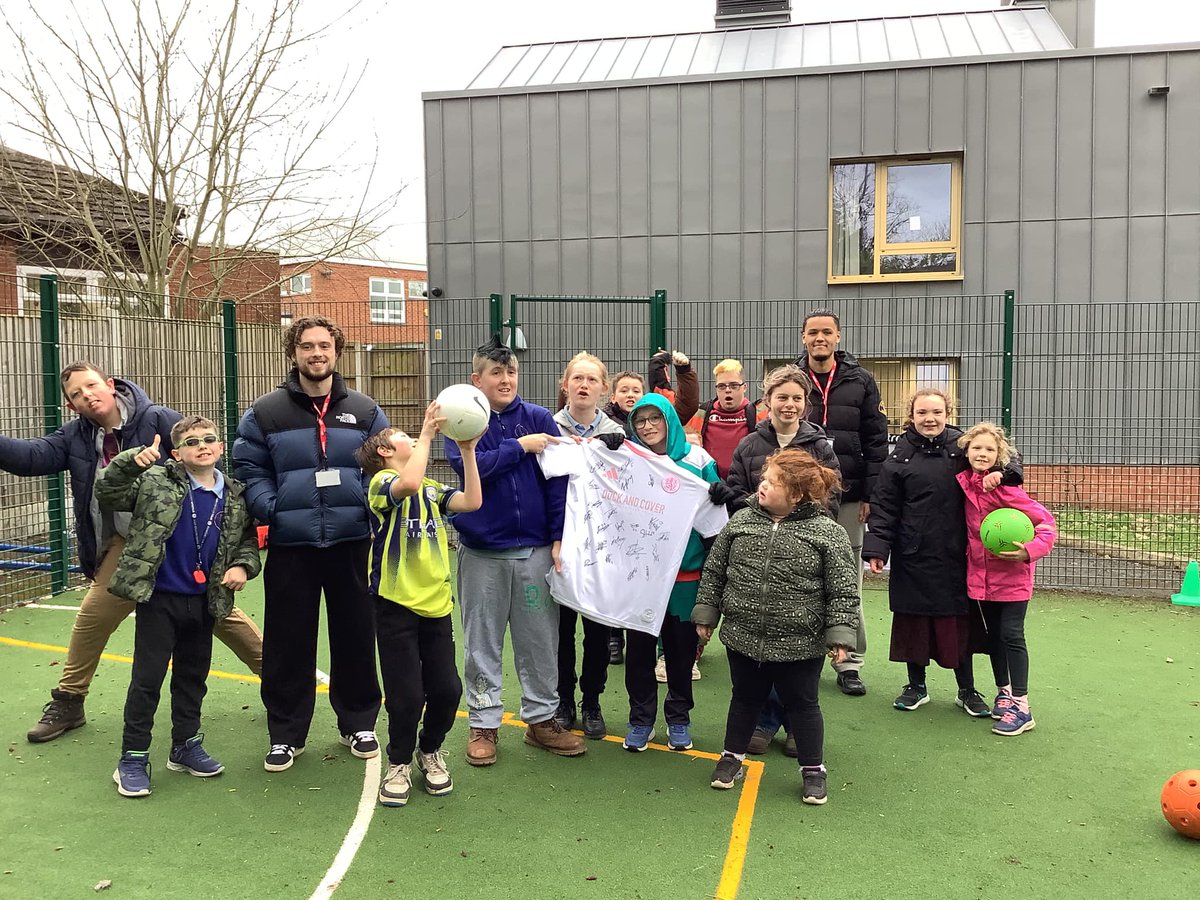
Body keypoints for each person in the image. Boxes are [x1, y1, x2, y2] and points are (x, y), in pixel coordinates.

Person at [0, 362, 262, 744]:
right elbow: (31, 456)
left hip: (183, 540)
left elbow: (205, 461)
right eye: (76, 394)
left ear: (109, 385)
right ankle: (70, 701)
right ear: (73, 406)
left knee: (220, 612)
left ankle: (280, 683)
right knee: (93, 617)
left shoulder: (156, 418)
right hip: (129, 544)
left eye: (90, 385)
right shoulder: (76, 437)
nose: (86, 395)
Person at [234, 316, 387, 773]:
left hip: (351, 540)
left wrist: (365, 504)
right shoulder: (266, 411)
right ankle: (285, 733)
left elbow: (385, 461)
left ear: (336, 351)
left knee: (356, 635)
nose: (316, 353)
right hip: (292, 543)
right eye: (306, 346)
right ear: (293, 353)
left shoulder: (363, 409)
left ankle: (358, 721)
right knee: (287, 641)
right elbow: (248, 467)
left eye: (324, 345)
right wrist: (272, 507)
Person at [95, 417, 261, 797]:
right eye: (191, 442)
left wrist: (242, 566)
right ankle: (133, 757)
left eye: (209, 439)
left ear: (220, 448)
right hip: (160, 599)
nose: (201, 446)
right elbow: (109, 492)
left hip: (204, 601)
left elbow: (246, 542)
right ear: (177, 454)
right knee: (147, 679)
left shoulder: (235, 495)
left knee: (192, 677)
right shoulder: (155, 482)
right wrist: (131, 461)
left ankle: (185, 745)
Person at [444, 336, 586, 766]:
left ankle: (542, 720)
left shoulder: (539, 416)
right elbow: (474, 470)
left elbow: (559, 481)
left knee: (540, 640)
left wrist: (558, 535)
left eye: (511, 372)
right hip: (483, 552)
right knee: (482, 641)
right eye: (495, 372)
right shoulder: (461, 419)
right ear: (477, 379)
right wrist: (520, 447)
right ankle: (483, 723)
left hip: (536, 552)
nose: (505, 380)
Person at [693, 449, 859, 804]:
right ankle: (732, 757)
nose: (762, 486)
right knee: (744, 699)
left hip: (800, 644)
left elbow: (843, 589)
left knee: (804, 705)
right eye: (764, 479)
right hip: (743, 636)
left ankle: (813, 769)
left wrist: (840, 635)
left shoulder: (827, 533)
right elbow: (715, 571)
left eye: (772, 482)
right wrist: (706, 613)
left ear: (797, 493)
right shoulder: (740, 521)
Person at [863, 389, 1022, 716]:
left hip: (957, 552)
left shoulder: (964, 446)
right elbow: (884, 505)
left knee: (958, 624)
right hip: (912, 553)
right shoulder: (899, 455)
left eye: (936, 412)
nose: (929, 419)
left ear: (948, 413)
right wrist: (877, 548)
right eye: (922, 412)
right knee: (913, 622)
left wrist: (1001, 474)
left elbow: (1006, 460)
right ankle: (916, 686)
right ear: (912, 415)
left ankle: (966, 689)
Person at [356, 404, 482, 807]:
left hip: (436, 605)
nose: (412, 438)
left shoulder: (428, 486)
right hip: (394, 605)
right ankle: (398, 762)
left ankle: (430, 750)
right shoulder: (380, 483)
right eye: (404, 438)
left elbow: (471, 502)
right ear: (383, 452)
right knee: (406, 695)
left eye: (416, 437)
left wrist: (467, 451)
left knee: (447, 689)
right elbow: (406, 486)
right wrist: (427, 435)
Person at [722, 365, 843, 757]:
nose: (788, 404)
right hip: (761, 555)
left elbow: (830, 500)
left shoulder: (821, 446)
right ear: (766, 400)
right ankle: (764, 720)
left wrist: (796, 528)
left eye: (796, 398)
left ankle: (794, 725)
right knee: (759, 653)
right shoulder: (749, 445)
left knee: (796, 653)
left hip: (801, 562)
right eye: (781, 397)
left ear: (805, 403)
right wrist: (764, 516)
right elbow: (739, 492)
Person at [792, 309, 889, 697]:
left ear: (838, 337)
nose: (820, 338)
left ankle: (849, 661)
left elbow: (877, 441)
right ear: (803, 338)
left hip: (848, 496)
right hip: (801, 494)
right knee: (799, 576)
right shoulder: (792, 379)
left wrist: (870, 494)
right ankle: (802, 654)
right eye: (813, 332)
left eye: (826, 332)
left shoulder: (861, 380)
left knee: (848, 579)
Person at [622, 394, 722, 753]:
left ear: (669, 420)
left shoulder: (698, 459)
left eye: (655, 418)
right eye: (640, 420)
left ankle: (679, 717)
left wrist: (724, 493)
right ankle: (640, 719)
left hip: (685, 578)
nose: (647, 426)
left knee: (681, 654)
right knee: (639, 653)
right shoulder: (629, 458)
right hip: (642, 579)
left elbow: (717, 513)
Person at [955, 422, 1057, 737]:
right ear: (967, 452)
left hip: (1013, 578)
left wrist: (1029, 551)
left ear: (999, 455)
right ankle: (1004, 692)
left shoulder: (1007, 489)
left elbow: (1047, 524)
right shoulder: (965, 484)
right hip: (981, 578)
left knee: (1012, 635)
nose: (982, 454)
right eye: (976, 448)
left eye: (989, 449)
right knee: (995, 636)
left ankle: (1023, 707)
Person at [551, 352, 627, 739]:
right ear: (565, 385)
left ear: (603, 388)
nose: (584, 385)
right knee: (561, 631)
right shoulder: (548, 429)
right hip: (560, 544)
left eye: (592, 380)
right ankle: (563, 700)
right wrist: (554, 536)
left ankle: (592, 700)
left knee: (598, 630)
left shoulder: (619, 435)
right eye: (577, 378)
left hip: (603, 549)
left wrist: (620, 448)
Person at [685, 359, 760, 479]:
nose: (727, 390)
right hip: (710, 486)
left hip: (745, 487)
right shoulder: (703, 413)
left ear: (744, 387)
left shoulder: (757, 414)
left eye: (734, 385)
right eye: (721, 386)